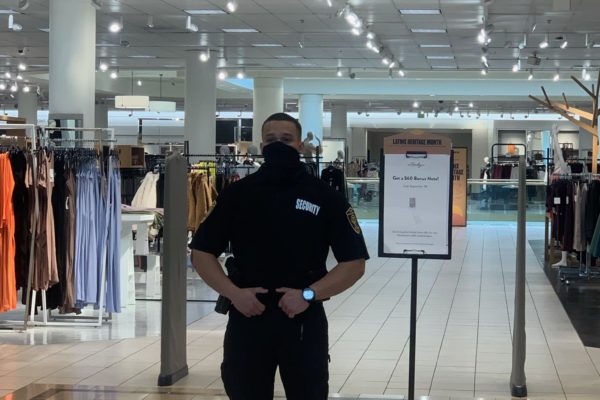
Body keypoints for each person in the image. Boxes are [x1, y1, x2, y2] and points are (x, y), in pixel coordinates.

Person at [189, 112, 369, 400]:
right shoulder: (238, 195)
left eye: (286, 140)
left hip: (302, 322)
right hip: (248, 318)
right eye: (271, 140)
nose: (278, 145)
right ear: (261, 146)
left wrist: (308, 295)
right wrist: (234, 293)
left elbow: (354, 263)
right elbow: (201, 252)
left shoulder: (325, 196)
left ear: (300, 146)